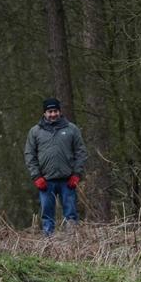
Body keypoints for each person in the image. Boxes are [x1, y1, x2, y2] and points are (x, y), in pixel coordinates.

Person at [24, 97, 88, 236]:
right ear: (44, 113)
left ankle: (73, 240)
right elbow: (29, 155)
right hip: (46, 181)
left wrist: (77, 174)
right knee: (47, 214)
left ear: (60, 111)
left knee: (71, 214)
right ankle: (48, 241)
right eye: (50, 111)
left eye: (55, 111)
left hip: (68, 180)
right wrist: (37, 176)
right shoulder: (35, 132)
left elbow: (81, 152)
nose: (53, 114)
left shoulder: (71, 129)